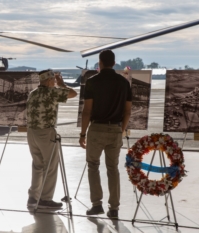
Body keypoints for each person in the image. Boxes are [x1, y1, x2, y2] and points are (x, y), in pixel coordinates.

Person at [79, 49, 132, 219]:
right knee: (113, 168)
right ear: (114, 63)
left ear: (100, 62)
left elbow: (87, 111)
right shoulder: (124, 83)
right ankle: (114, 208)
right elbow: (128, 112)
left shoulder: (92, 81)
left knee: (93, 165)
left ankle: (96, 205)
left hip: (96, 129)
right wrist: (121, 130)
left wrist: (82, 133)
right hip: (115, 129)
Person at [26, 69, 77, 209]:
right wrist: (62, 84)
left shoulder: (33, 93)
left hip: (31, 133)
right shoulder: (51, 92)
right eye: (53, 80)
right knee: (51, 166)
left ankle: (33, 197)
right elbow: (73, 93)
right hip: (46, 133)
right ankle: (45, 199)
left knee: (38, 165)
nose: (54, 82)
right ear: (48, 81)